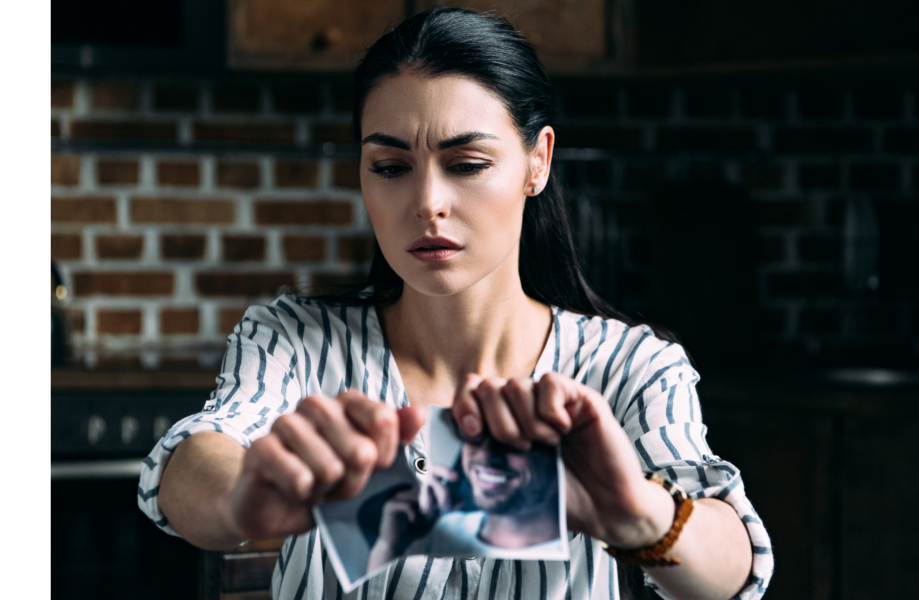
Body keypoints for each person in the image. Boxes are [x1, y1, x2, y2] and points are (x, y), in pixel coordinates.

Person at [137, 7, 773, 600]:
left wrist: (637, 513)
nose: (427, 202)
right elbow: (200, 455)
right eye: (390, 167)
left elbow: (732, 566)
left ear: (537, 161)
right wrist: (243, 497)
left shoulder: (631, 367)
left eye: (466, 163)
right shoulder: (295, 341)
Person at [365, 431, 563, 571]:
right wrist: (388, 548)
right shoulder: (439, 533)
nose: (485, 454)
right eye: (474, 434)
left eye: (514, 437)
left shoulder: (582, 558)